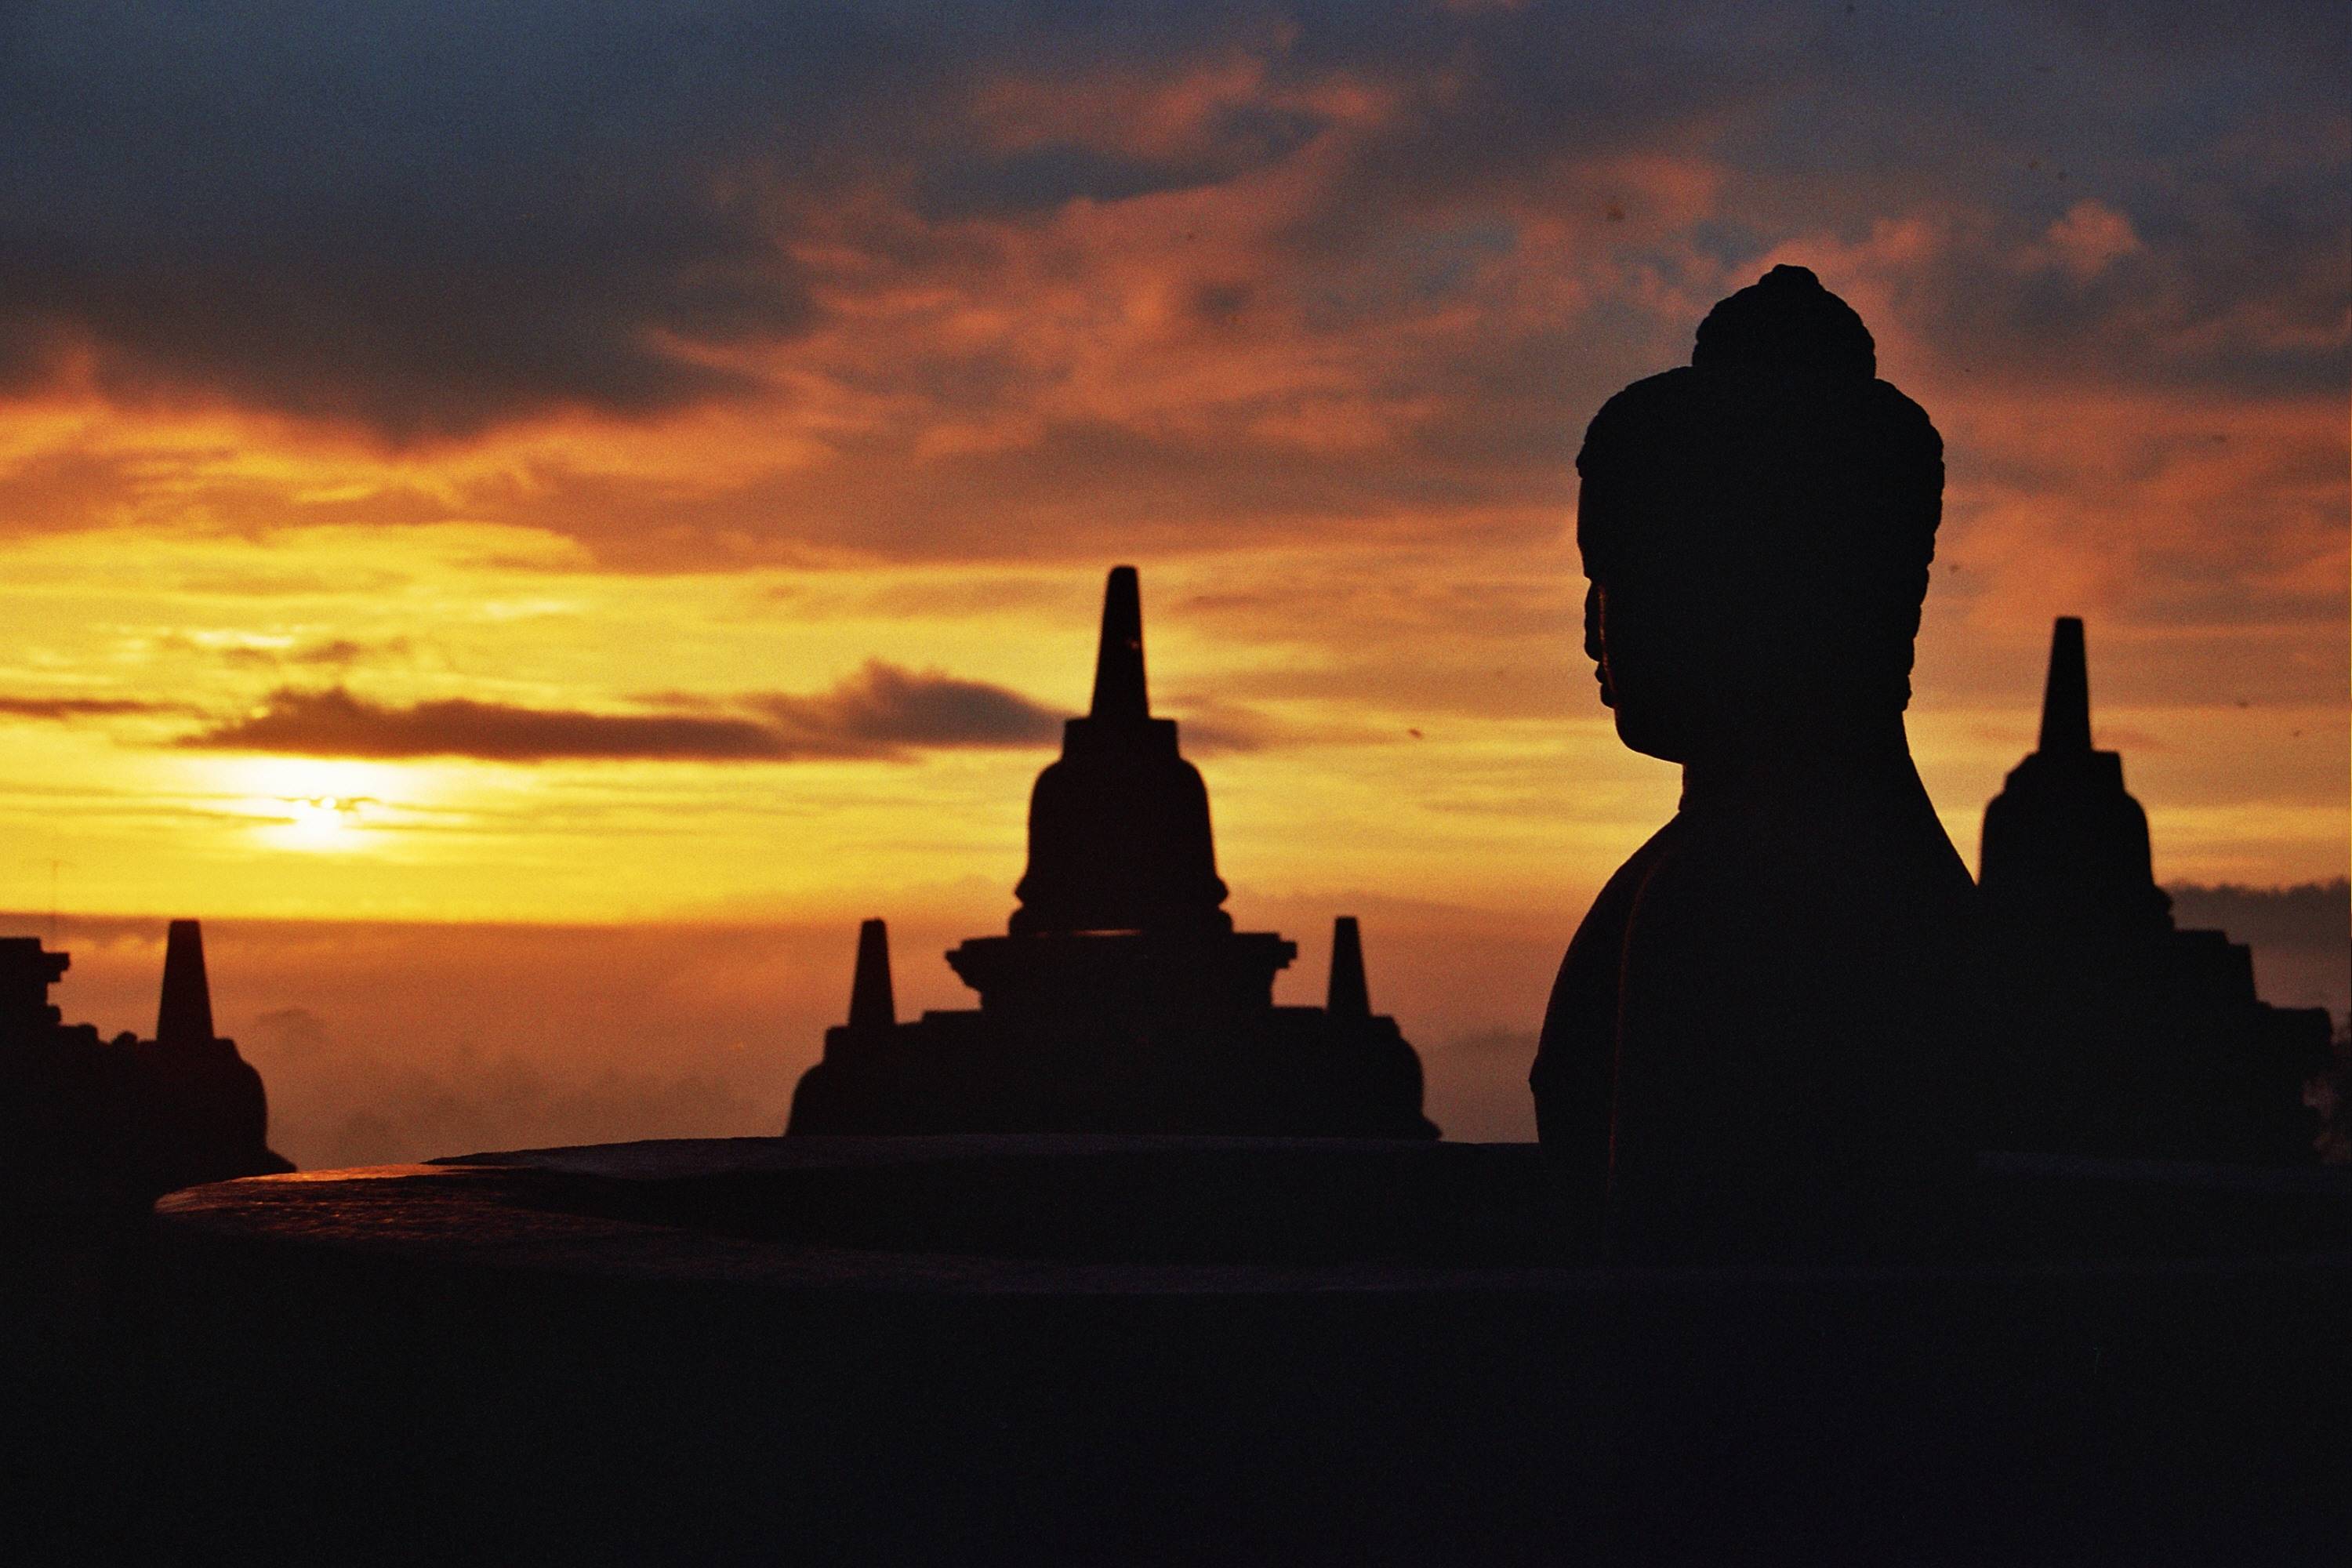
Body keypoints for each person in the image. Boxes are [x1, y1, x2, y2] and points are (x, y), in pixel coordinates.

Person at [1530, 266, 1976, 1262]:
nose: (1594, 628)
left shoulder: (1748, 897)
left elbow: (1685, 1294)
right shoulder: (1832, 866)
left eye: (1620, 577)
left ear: (1750, 590)